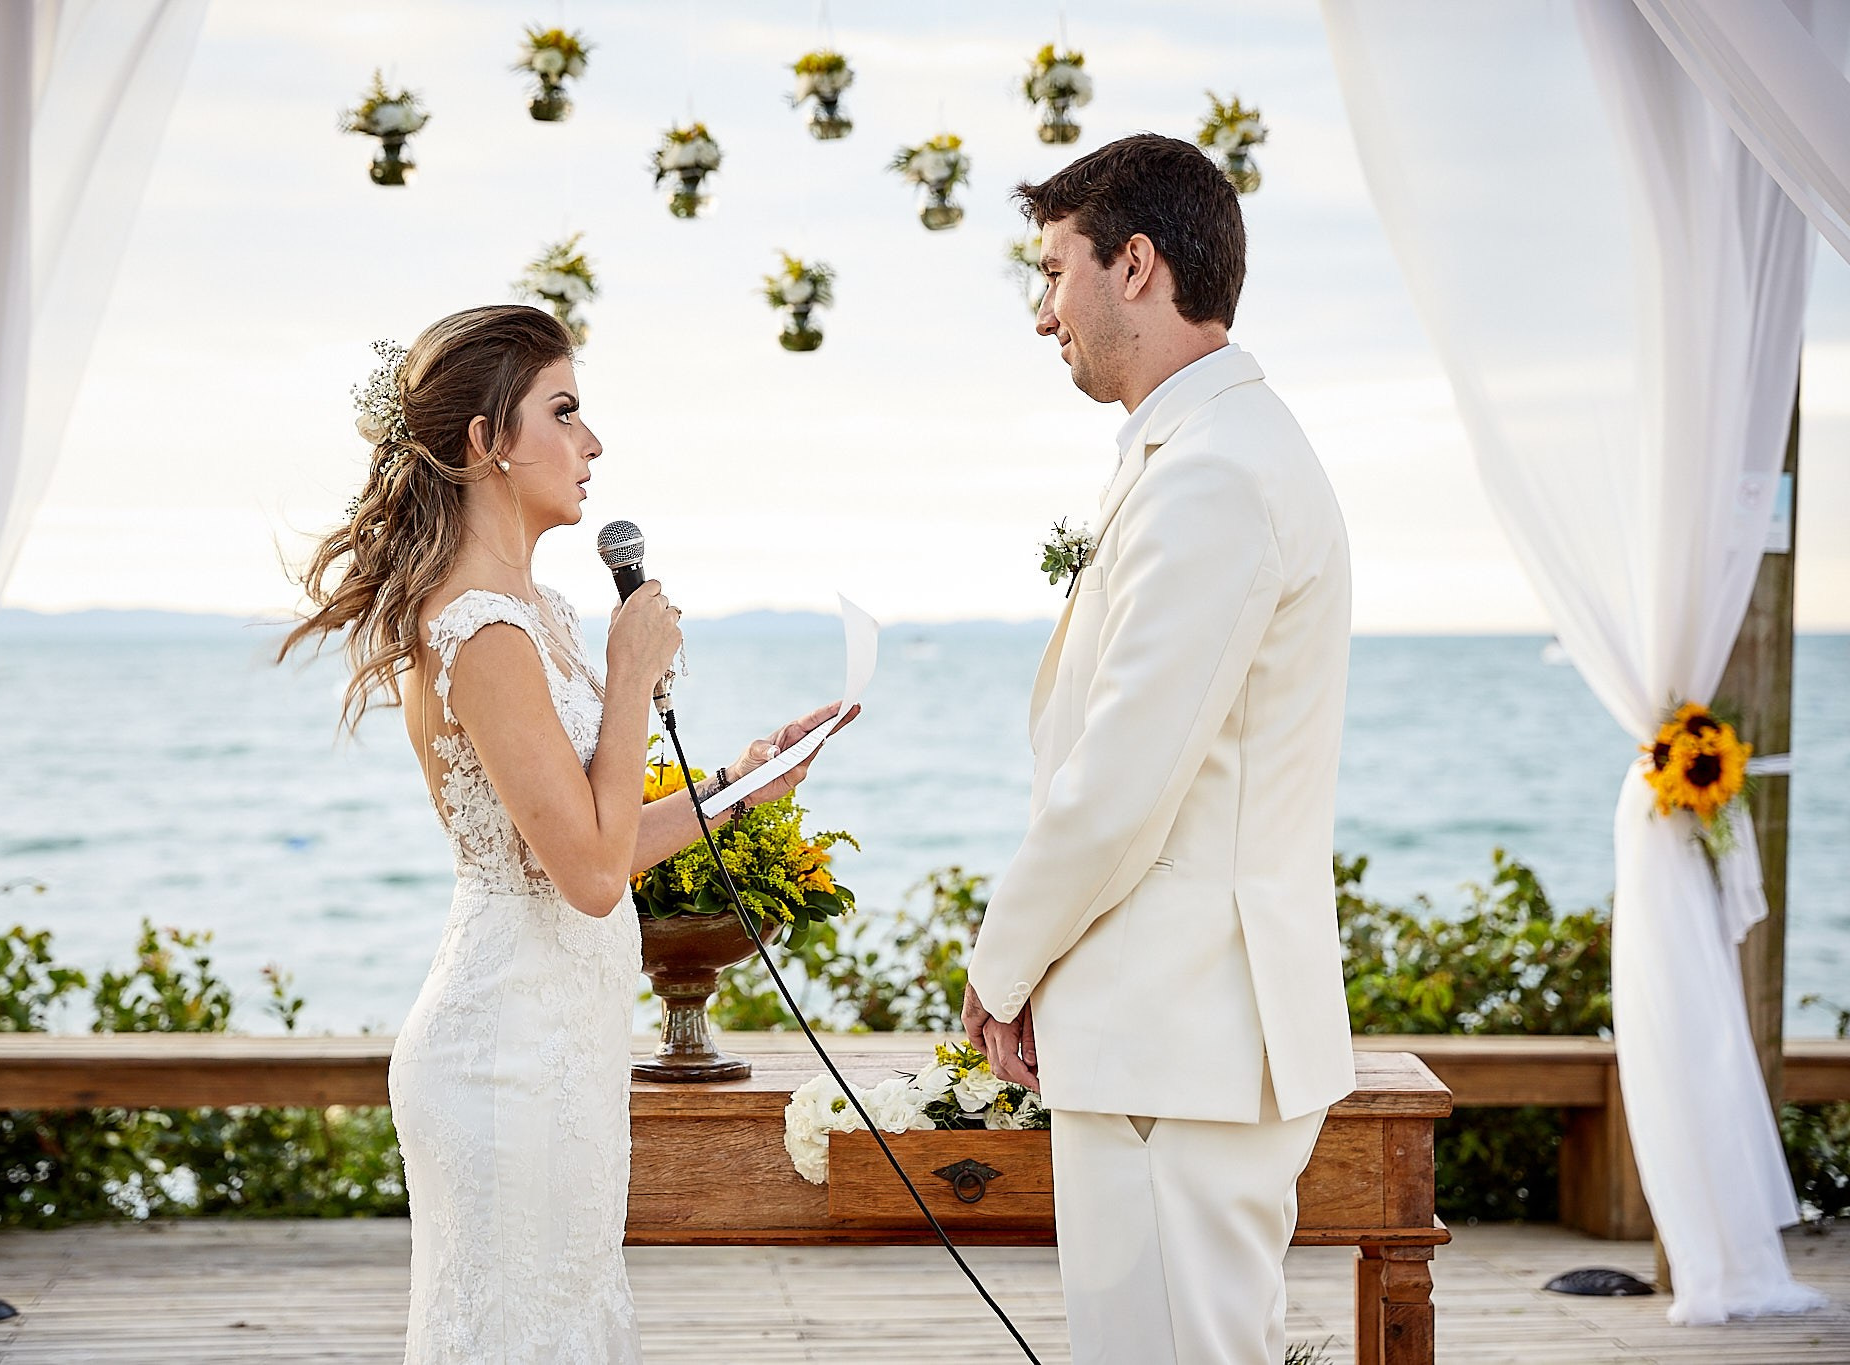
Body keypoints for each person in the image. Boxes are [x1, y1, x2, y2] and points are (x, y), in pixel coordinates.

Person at [279, 304, 849, 1363]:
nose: (593, 443)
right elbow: (588, 877)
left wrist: (743, 783)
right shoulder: (482, 629)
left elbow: (602, 839)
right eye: (565, 411)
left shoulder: (538, 610)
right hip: (505, 1055)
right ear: (486, 444)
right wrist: (633, 674)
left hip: (562, 1048)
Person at [961, 135, 1356, 1364]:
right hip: (1175, 1036)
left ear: (1133, 266)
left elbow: (1122, 781)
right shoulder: (1205, 452)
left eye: (1052, 272)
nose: (1041, 315)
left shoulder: (1217, 476)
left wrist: (1000, 964)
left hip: (1175, 1036)